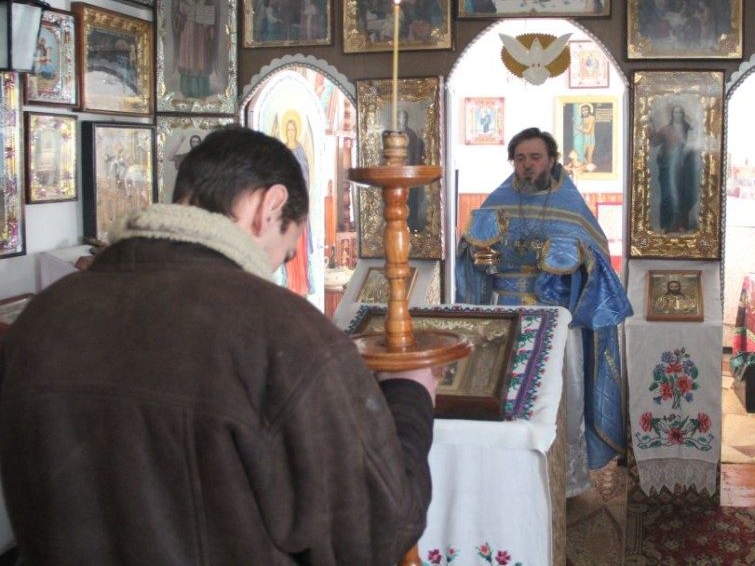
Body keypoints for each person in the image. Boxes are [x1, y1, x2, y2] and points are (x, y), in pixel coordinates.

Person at [0, 125, 437, 564]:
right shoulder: (282, 332)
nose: (277, 268)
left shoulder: (44, 316)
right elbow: (375, 530)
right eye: (286, 253)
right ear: (269, 206)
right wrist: (410, 395)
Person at [455, 127, 632, 481]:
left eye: (535, 157)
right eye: (520, 158)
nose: (527, 165)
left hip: (555, 317)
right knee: (506, 394)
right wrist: (475, 252)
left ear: (551, 160)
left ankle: (561, 476)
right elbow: (469, 252)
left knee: (554, 393)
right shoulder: (498, 201)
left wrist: (576, 256)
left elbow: (597, 259)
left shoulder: (571, 206)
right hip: (504, 315)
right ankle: (506, 474)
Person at [650, 105, 700, 232]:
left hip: (685, 168)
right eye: (675, 112)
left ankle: (681, 224)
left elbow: (694, 144)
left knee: (684, 194)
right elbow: (655, 142)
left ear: (683, 115)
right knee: (669, 194)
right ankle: (668, 224)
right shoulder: (666, 129)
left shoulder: (688, 129)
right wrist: (652, 129)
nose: (678, 114)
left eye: (680, 112)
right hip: (668, 167)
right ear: (672, 114)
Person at [281, 117, 314, 296]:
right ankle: (290, 284)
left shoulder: (300, 150)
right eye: (288, 129)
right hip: (285, 207)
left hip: (299, 205)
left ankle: (302, 286)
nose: (291, 132)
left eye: (293, 129)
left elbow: (306, 175)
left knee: (300, 248)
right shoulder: (282, 151)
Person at [174, 0, 217, 98]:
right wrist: (178, 16)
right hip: (188, 30)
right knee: (188, 58)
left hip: (201, 31)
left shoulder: (205, 0)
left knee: (200, 57)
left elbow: (209, 16)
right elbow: (180, 15)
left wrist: (209, 27)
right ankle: (187, 90)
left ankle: (201, 90)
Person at [398, 108, 427, 232]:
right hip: (397, 172)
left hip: (410, 172)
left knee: (411, 199)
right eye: (400, 117)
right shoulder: (394, 134)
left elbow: (416, 152)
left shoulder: (411, 134)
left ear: (406, 119)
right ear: (398, 119)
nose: (402, 119)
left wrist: (414, 169)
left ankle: (411, 223)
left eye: (404, 117)